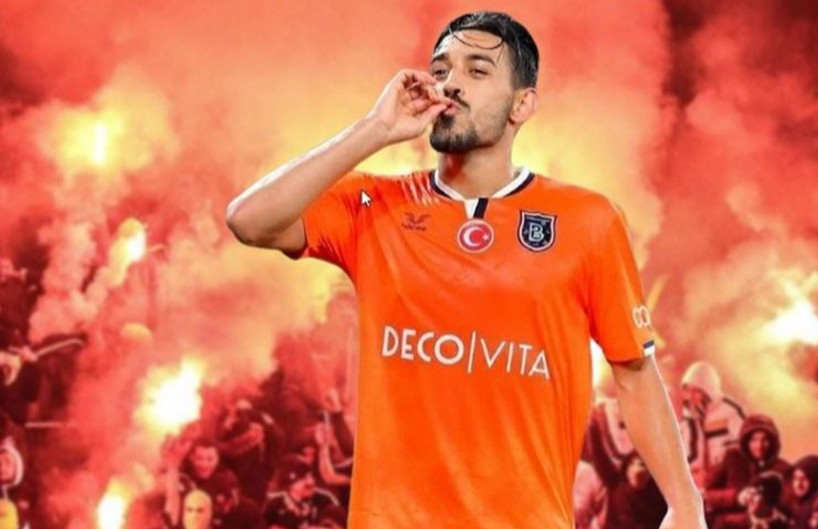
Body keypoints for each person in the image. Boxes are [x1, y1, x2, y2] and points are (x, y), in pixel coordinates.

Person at [226, 11, 704, 528]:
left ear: (522, 104)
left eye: (477, 70)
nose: (451, 83)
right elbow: (249, 221)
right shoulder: (373, 206)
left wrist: (685, 504)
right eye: (441, 69)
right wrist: (375, 129)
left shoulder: (588, 221)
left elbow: (634, 371)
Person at [705, 414, 791, 529]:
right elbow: (707, 496)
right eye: (754, 440)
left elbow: (789, 509)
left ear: (773, 442)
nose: (759, 446)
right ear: (746, 441)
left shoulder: (783, 469)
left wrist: (766, 508)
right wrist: (737, 497)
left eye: (765, 440)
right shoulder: (732, 458)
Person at [679, 361, 746, 488]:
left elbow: (744, 443)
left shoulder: (729, 410)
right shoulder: (687, 419)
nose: (691, 397)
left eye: (696, 391)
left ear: (708, 390)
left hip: (726, 478)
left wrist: (723, 459)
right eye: (688, 391)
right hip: (698, 483)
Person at [263, 456, 346, 529]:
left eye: (310, 476)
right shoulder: (274, 507)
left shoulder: (324, 500)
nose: (311, 482)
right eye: (303, 478)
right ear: (289, 485)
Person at [786, 455, 818, 529]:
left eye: (804, 478)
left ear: (815, 480)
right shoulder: (799, 504)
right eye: (795, 478)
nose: (798, 484)